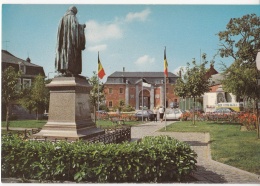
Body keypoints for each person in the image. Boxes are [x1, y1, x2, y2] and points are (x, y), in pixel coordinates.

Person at [55, 6, 86, 76]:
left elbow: (59, 33)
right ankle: (71, 70)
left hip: (63, 44)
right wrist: (82, 27)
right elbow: (75, 29)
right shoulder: (73, 17)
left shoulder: (62, 19)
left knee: (64, 54)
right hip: (71, 43)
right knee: (71, 54)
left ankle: (64, 69)